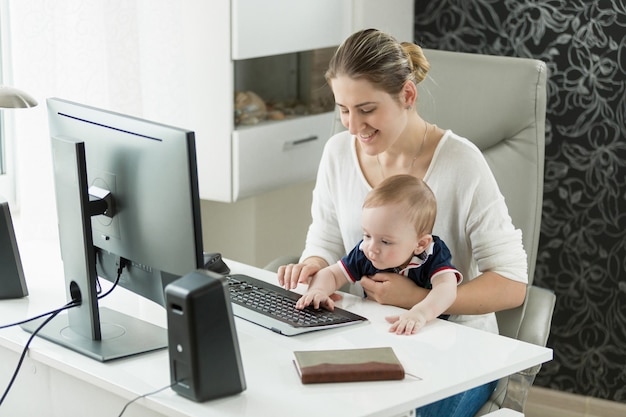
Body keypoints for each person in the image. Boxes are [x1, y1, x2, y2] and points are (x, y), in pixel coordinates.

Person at [277, 28, 528, 416]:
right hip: (366, 339)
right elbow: (325, 239)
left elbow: (512, 284)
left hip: (455, 350)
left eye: (367, 109)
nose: (352, 125)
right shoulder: (337, 154)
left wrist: (419, 301)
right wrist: (312, 270)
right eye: (343, 109)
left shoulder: (462, 163)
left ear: (407, 96)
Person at [295, 174, 462, 335]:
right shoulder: (365, 251)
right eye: (367, 235)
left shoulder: (433, 253)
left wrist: (420, 313)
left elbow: (446, 289)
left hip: (429, 332)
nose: (371, 248)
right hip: (377, 328)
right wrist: (318, 291)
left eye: (386, 242)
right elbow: (332, 274)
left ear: (420, 244)